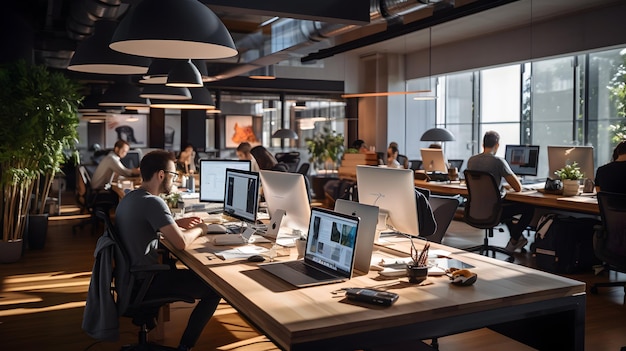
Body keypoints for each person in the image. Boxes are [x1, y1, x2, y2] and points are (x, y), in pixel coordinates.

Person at [115, 150, 220, 351]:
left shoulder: (131, 198)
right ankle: (185, 347)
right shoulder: (154, 202)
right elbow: (180, 244)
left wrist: (174, 222)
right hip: (147, 282)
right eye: (173, 175)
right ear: (161, 175)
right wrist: (201, 229)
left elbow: (144, 225)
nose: (174, 179)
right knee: (214, 290)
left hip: (129, 281)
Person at [466, 131, 534, 253]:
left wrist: (501, 186)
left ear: (483, 144)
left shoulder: (471, 160)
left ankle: (518, 238)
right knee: (529, 208)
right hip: (494, 211)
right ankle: (514, 241)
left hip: (474, 211)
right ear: (497, 145)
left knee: (504, 205)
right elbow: (518, 188)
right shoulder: (498, 161)